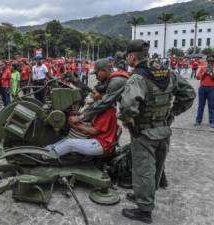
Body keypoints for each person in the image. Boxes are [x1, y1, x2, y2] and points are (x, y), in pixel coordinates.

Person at [119, 40, 196, 223]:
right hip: (163, 128)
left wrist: (126, 118)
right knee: (156, 166)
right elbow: (189, 94)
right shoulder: (166, 71)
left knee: (143, 169)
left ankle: (144, 210)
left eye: (127, 56)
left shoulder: (137, 77)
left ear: (132, 56)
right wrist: (171, 113)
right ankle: (143, 195)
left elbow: (128, 105)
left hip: (144, 131)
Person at [46, 87, 118, 157]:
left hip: (101, 144)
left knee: (70, 143)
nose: (91, 94)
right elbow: (87, 129)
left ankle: (44, 156)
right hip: (93, 139)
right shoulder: (98, 107)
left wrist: (75, 124)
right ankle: (45, 150)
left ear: (102, 95)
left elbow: (94, 131)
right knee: (62, 142)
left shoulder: (108, 110)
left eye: (94, 93)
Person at [79, 58, 129, 122]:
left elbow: (104, 103)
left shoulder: (116, 81)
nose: (96, 77)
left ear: (104, 70)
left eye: (97, 74)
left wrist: (81, 116)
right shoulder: (110, 79)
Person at [195, 55, 214, 128]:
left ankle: (212, 121)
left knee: (212, 106)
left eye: (212, 61)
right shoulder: (203, 67)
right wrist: (204, 72)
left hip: (212, 88)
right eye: (209, 61)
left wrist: (211, 73)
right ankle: (198, 121)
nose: (210, 62)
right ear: (207, 61)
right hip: (202, 88)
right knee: (201, 106)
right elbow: (197, 77)